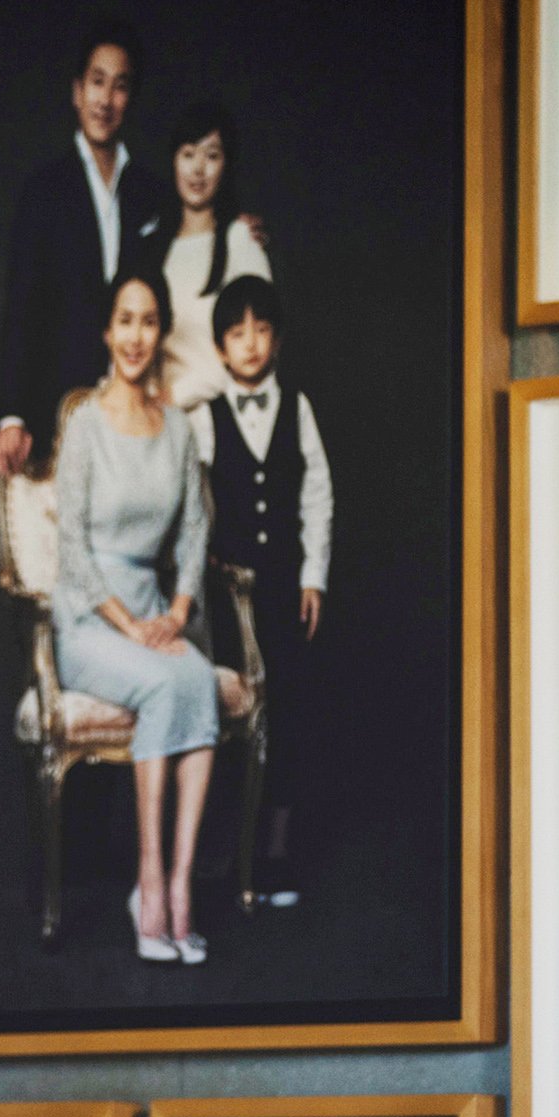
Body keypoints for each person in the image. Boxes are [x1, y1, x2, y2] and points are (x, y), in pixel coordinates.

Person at [52, 270, 218, 963]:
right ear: (106, 330)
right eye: (125, 320)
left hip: (156, 611)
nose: (136, 336)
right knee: (162, 682)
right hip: (90, 619)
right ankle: (146, 883)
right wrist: (132, 628)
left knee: (201, 681)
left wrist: (176, 613)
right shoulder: (85, 422)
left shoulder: (176, 428)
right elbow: (71, 547)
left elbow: (193, 532)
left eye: (149, 321)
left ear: (160, 332)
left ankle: (181, 890)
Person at [206, 274, 333, 909]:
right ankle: (231, 850)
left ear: (276, 340)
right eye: (236, 333)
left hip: (285, 591)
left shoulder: (298, 408)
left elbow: (317, 497)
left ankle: (278, 850)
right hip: (228, 601)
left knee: (287, 711)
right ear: (221, 348)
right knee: (232, 716)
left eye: (260, 330)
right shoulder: (204, 418)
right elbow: (191, 505)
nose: (250, 343)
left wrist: (314, 576)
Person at [0, 19, 166, 477]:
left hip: (139, 408)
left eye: (120, 86)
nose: (106, 100)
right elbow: (21, 307)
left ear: (131, 100)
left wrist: (235, 226)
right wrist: (13, 414)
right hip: (60, 413)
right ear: (77, 92)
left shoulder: (152, 192)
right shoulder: (43, 191)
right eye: (96, 82)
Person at [146, 97, 273, 465]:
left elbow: (257, 350)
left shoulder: (241, 241)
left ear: (226, 165)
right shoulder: (153, 244)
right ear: (173, 160)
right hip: (158, 433)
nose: (198, 169)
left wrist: (177, 394)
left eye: (212, 156)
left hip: (225, 432)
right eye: (188, 154)